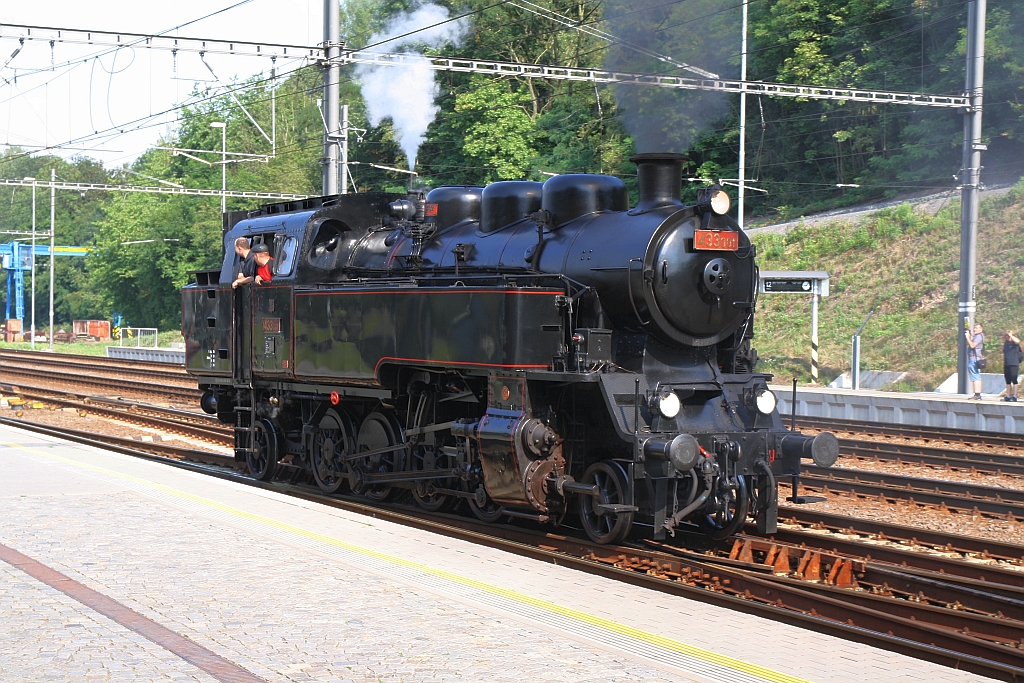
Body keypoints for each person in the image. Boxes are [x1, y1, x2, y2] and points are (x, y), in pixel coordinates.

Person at [965, 322, 985, 400]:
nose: (975, 329)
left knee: (975, 376)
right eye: (974, 328)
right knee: (976, 375)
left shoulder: (979, 336)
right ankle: (977, 394)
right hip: (974, 358)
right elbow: (970, 344)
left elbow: (972, 345)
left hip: (974, 358)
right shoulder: (978, 336)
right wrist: (969, 337)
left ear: (981, 329)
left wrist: (967, 337)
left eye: (976, 328)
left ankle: (977, 394)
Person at [1003, 331, 1022, 402]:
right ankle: (1008, 395)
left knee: (1014, 379)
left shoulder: (1015, 344)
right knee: (1008, 380)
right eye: (1006, 336)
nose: (1008, 337)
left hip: (1014, 363)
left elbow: (1018, 341)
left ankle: (1014, 396)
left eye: (1009, 336)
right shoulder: (1006, 344)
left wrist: (1011, 335)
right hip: (1007, 363)